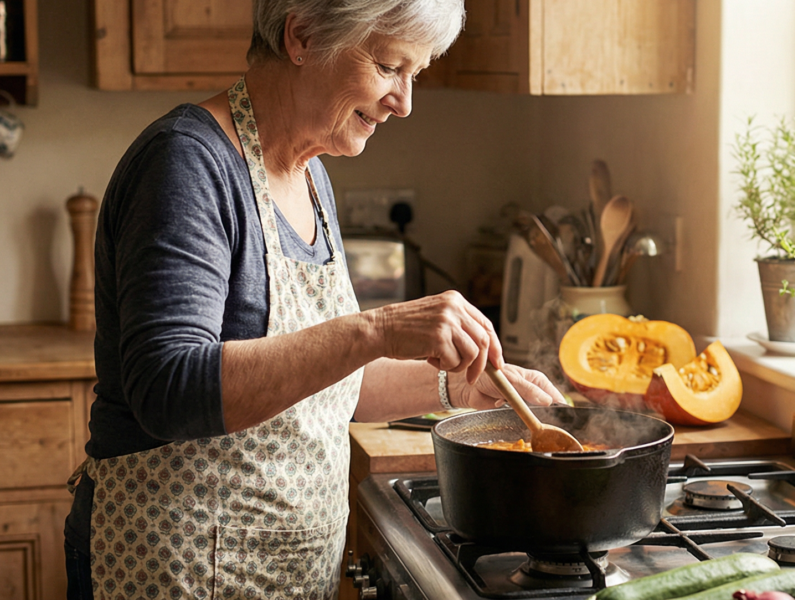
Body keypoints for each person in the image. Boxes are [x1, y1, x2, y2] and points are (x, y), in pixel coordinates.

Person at [63, 1, 566, 598]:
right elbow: (167, 389)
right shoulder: (187, 163)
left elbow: (325, 383)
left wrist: (454, 389)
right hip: (174, 568)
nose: (404, 102)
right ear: (300, 36)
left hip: (280, 572)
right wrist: (375, 329)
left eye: (416, 74)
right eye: (387, 66)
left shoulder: (309, 174)